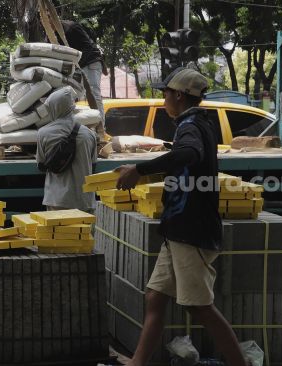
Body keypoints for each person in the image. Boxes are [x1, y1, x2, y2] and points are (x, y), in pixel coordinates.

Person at [115, 68, 247, 366]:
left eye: (165, 95)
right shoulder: (198, 123)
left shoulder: (190, 126)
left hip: (191, 231)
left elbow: (188, 154)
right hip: (176, 230)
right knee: (155, 297)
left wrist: (139, 169)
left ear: (178, 95)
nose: (163, 101)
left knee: (200, 307)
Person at [36, 86, 97, 211]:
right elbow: (93, 165)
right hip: (84, 202)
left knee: (57, 231)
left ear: (54, 107)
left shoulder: (43, 133)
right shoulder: (89, 134)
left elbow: (41, 165)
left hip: (56, 200)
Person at [61, 19, 108, 142]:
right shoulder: (50, 34)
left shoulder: (70, 27)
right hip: (76, 65)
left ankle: (101, 131)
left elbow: (88, 47)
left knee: (94, 93)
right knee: (69, 95)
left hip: (91, 61)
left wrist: (76, 65)